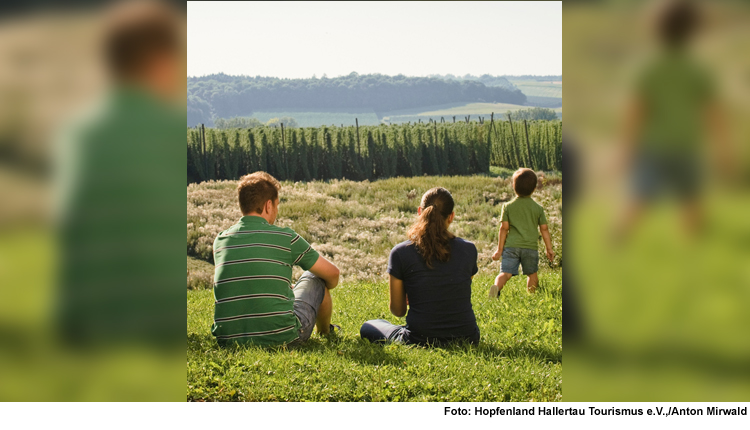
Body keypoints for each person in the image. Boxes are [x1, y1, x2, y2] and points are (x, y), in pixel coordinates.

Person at [211, 172, 340, 346]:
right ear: (268, 205)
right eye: (277, 205)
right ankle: (325, 332)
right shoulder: (286, 237)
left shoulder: (220, 240)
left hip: (228, 340)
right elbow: (332, 274)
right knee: (315, 277)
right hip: (282, 337)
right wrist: (318, 288)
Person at [360, 187, 480, 346]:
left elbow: (398, 310)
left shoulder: (400, 253)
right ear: (451, 217)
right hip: (468, 338)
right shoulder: (469, 249)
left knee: (369, 326)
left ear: (419, 212)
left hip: (419, 339)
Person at [489, 168, 554, 297]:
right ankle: (531, 297)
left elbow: (504, 228)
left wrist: (499, 250)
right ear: (534, 188)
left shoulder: (508, 207)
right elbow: (544, 229)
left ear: (514, 187)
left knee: (505, 273)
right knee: (532, 274)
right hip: (530, 247)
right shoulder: (538, 209)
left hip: (511, 246)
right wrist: (549, 248)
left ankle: (496, 287)